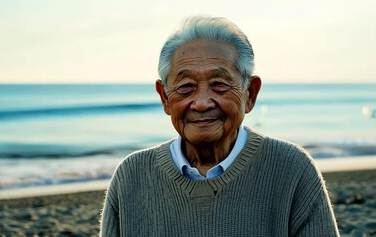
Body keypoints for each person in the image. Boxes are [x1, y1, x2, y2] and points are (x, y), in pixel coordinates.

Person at [100, 16, 339, 236]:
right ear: (164, 97)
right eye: (185, 87)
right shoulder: (131, 176)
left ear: (250, 94)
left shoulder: (292, 169)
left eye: (219, 84)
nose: (202, 103)